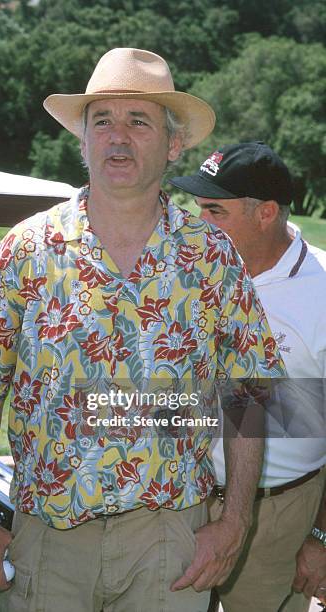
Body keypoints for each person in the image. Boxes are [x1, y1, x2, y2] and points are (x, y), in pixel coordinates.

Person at [0, 50, 285, 612]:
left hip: (170, 543)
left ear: (174, 146)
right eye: (102, 122)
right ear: (83, 141)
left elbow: (249, 392)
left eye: (138, 122)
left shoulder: (211, 256)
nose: (117, 138)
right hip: (49, 541)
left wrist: (234, 521)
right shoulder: (26, 251)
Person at [170, 141, 326, 612]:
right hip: (182, 505)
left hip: (278, 515)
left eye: (216, 211)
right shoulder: (190, 269)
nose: (200, 224)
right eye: (198, 209)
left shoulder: (321, 289)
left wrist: (320, 535)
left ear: (267, 213)